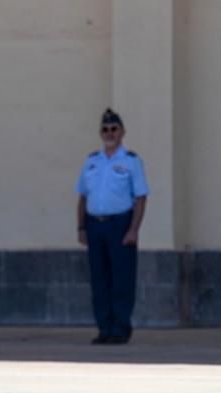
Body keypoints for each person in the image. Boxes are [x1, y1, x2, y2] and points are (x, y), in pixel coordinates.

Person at [75, 108, 149, 345]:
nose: (110, 133)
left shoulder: (131, 161)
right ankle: (104, 328)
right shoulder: (92, 161)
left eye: (114, 129)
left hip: (120, 225)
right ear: (101, 133)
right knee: (100, 280)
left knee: (122, 279)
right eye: (105, 129)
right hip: (95, 226)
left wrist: (133, 230)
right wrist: (81, 227)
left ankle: (120, 328)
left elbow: (140, 198)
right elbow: (82, 197)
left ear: (122, 132)